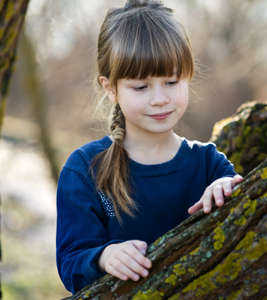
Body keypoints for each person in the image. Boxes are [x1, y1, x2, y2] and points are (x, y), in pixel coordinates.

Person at [55, 0, 243, 294]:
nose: (159, 98)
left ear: (188, 76)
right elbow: (71, 263)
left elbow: (238, 208)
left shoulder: (209, 163)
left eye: (171, 81)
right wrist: (103, 257)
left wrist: (225, 186)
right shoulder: (85, 169)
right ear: (110, 87)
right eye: (141, 87)